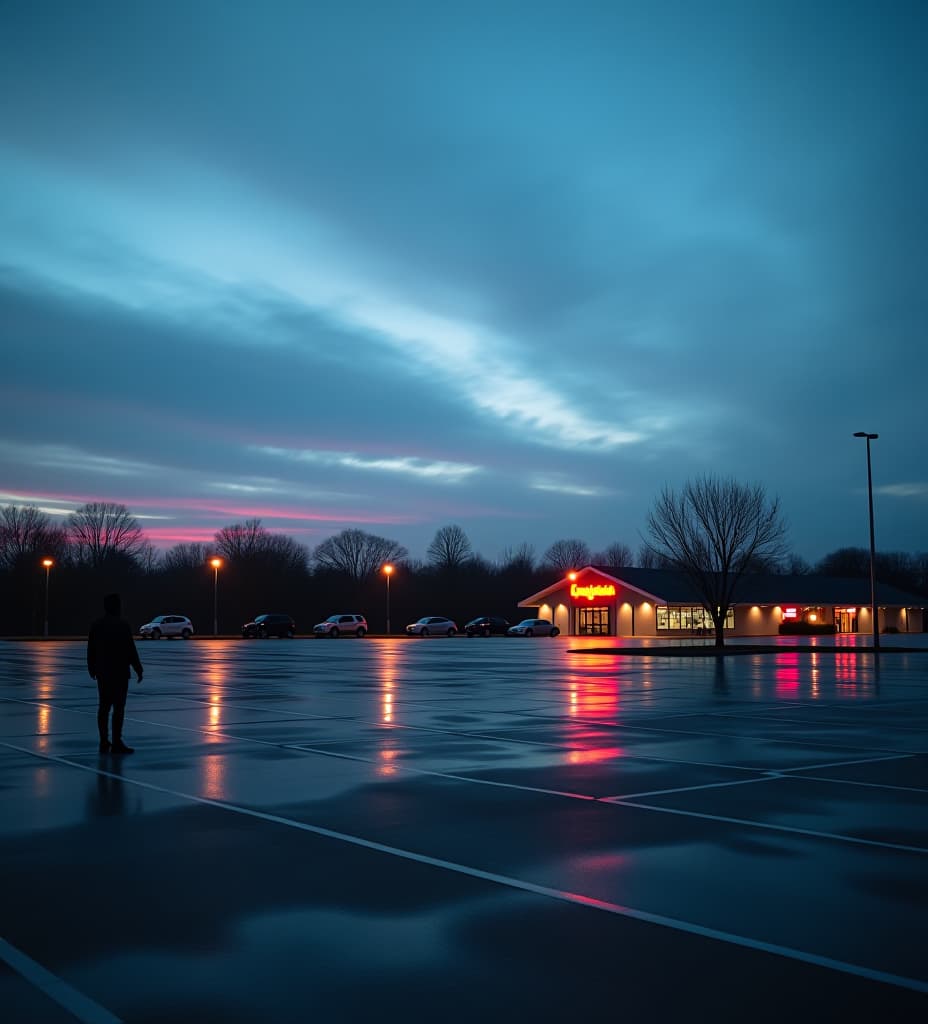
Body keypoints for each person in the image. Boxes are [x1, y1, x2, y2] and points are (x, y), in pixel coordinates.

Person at [87, 593, 143, 754]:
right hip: (120, 672)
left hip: (103, 672)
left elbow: (91, 648)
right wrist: (138, 668)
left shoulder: (96, 625)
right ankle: (116, 741)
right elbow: (130, 649)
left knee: (104, 707)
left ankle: (104, 741)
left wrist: (91, 667)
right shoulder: (122, 625)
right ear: (117, 606)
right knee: (118, 708)